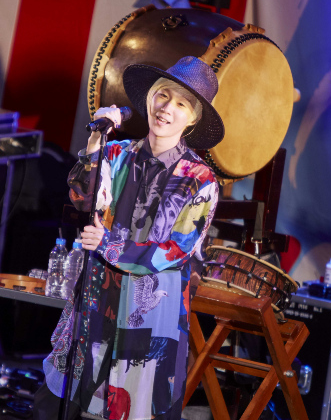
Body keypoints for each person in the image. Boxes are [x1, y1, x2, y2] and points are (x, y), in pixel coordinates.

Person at [34, 56, 225, 420]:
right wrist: (96, 139)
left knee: (132, 406)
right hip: (97, 300)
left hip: (149, 315)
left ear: (192, 118)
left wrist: (106, 244)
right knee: (56, 404)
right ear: (150, 97)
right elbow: (82, 196)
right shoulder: (117, 154)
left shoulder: (199, 179)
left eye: (181, 104)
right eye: (163, 96)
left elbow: (175, 250)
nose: (166, 108)